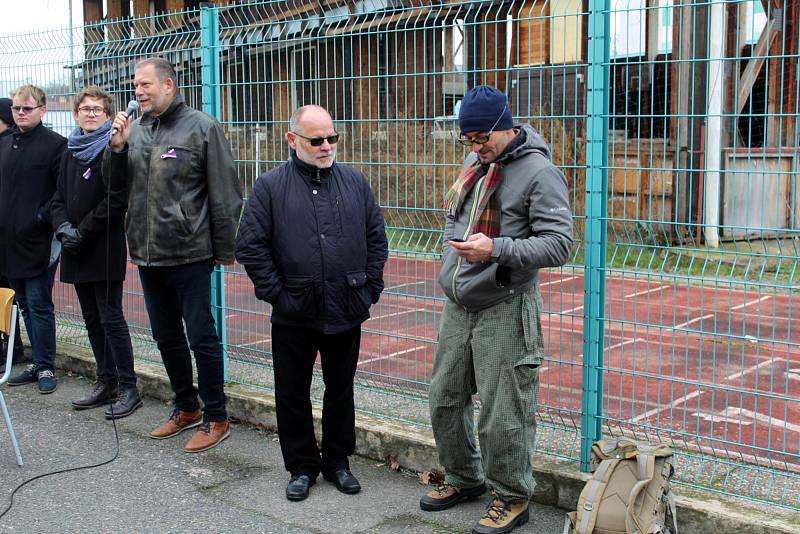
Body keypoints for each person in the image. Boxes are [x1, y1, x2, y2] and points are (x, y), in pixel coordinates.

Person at [419, 86, 573, 534]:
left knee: (503, 413)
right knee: (444, 398)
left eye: (481, 137)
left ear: (505, 125)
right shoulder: (476, 163)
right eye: (467, 139)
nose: (474, 147)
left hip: (506, 304)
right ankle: (464, 478)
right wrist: (451, 258)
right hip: (459, 301)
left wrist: (495, 250)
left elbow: (560, 244)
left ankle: (511, 497)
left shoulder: (540, 173)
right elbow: (455, 217)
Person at [235, 105, 388, 501]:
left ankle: (339, 461)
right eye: (316, 140)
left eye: (331, 138)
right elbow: (251, 247)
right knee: (291, 391)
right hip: (294, 311)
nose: (326, 146)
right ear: (292, 140)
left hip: (346, 306)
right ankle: (302, 466)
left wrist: (369, 287)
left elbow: (376, 238)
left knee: (340, 388)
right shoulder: (269, 186)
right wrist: (279, 295)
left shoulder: (355, 182)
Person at [106, 57, 242, 452]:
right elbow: (115, 190)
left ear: (168, 85)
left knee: (201, 336)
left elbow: (225, 193)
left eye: (145, 84)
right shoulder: (134, 130)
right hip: (148, 255)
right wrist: (115, 149)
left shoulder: (202, 127)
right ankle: (186, 408)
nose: (138, 92)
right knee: (165, 336)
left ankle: (217, 416)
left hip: (190, 253)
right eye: (135, 85)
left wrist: (223, 251)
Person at [50, 86, 141, 419]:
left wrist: (83, 232)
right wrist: (63, 230)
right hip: (74, 246)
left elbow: (117, 200)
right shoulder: (70, 150)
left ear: (108, 116)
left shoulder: (114, 148)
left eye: (97, 110)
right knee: (91, 320)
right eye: (85, 109)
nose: (90, 114)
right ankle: (107, 381)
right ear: (76, 114)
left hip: (101, 247)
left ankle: (129, 387)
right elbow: (57, 197)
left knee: (111, 318)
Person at [0, 85, 66, 394]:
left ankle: (46, 366)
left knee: (40, 304)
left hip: (39, 242)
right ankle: (35, 362)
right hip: (9, 242)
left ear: (42, 110)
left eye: (27, 108)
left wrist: (40, 218)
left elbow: (60, 192)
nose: (21, 113)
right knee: (23, 303)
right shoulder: (5, 143)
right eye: (16, 108)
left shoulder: (56, 145)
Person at [0, 97, 25, 367]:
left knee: (11, 296)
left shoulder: (10, 144)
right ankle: (10, 347)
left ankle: (12, 348)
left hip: (13, 237)